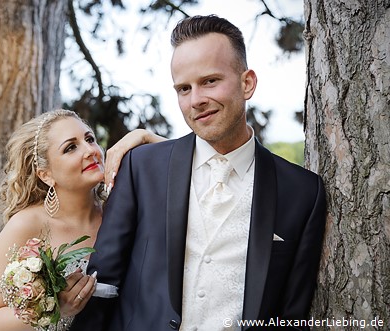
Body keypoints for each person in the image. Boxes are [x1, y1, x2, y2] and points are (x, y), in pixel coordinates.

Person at [71, 15, 327, 331]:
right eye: (183, 88)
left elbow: (292, 315)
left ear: (247, 83)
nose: (196, 101)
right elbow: (103, 285)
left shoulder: (303, 192)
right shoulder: (142, 168)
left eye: (210, 81)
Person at [0, 109, 164, 331]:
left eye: (90, 139)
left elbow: (196, 174)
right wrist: (56, 308)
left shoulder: (120, 211)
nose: (90, 151)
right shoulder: (27, 225)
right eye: (70, 148)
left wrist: (146, 137)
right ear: (45, 175)